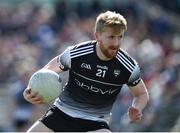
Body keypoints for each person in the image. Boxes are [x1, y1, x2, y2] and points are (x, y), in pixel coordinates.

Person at [23, 11, 149, 132]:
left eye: (120, 37)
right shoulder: (76, 53)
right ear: (97, 36)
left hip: (95, 123)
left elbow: (141, 93)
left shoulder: (128, 66)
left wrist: (136, 107)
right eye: (111, 37)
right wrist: (31, 89)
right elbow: (47, 71)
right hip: (61, 114)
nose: (116, 43)